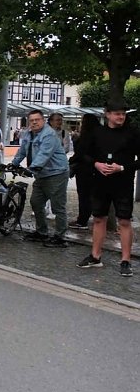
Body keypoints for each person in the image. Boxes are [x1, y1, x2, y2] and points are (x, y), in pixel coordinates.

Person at [76, 100, 140, 277]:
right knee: (98, 218)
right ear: (107, 114)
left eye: (123, 114)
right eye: (117, 113)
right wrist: (96, 164)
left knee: (124, 221)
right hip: (100, 182)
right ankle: (95, 256)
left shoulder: (132, 134)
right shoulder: (97, 133)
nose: (121, 117)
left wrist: (122, 168)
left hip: (123, 183)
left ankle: (125, 260)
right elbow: (82, 154)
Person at [11, 109, 70, 247]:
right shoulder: (28, 134)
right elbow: (22, 150)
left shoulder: (49, 134)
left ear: (43, 120)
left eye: (37, 120)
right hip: (42, 174)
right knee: (36, 202)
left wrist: (32, 169)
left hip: (56, 173)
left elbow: (44, 154)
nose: (34, 122)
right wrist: (13, 164)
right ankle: (41, 232)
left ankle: (60, 237)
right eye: (31, 120)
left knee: (58, 206)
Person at [68, 113, 99, 230]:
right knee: (91, 195)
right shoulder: (99, 134)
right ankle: (89, 218)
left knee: (84, 196)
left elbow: (80, 153)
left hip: (84, 170)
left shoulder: (86, 136)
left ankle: (82, 220)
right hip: (95, 169)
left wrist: (71, 161)